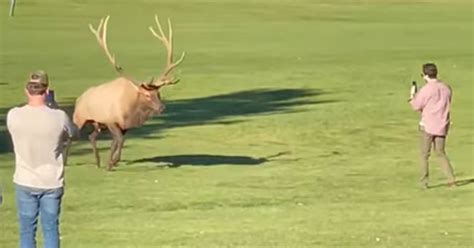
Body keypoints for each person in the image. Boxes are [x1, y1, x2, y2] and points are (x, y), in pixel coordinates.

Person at [7, 70, 75, 248]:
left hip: (25, 179)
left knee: (27, 230)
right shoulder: (59, 117)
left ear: (26, 90)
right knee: (51, 228)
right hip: (51, 181)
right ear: (46, 91)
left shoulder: (13, 115)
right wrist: (55, 107)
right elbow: (73, 133)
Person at [409, 63, 456, 189]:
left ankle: (423, 182)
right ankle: (451, 180)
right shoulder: (446, 88)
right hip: (442, 125)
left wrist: (412, 96)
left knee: (424, 155)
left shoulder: (426, 90)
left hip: (428, 126)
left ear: (425, 75)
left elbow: (415, 106)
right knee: (441, 153)